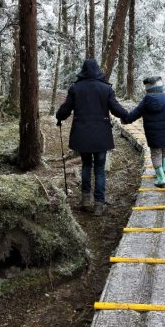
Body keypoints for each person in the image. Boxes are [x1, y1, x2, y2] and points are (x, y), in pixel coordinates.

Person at [56, 59, 128, 216]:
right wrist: (127, 116)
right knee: (100, 169)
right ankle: (99, 204)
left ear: (83, 70)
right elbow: (116, 109)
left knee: (86, 165)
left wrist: (59, 116)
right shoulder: (105, 89)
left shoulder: (75, 88)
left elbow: (65, 110)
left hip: (82, 135)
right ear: (98, 71)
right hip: (101, 135)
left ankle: (86, 200)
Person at [123, 76, 165, 187]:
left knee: (156, 155)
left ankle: (161, 178)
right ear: (161, 88)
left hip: (153, 136)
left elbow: (134, 114)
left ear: (148, 89)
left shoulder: (145, 102)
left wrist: (125, 120)